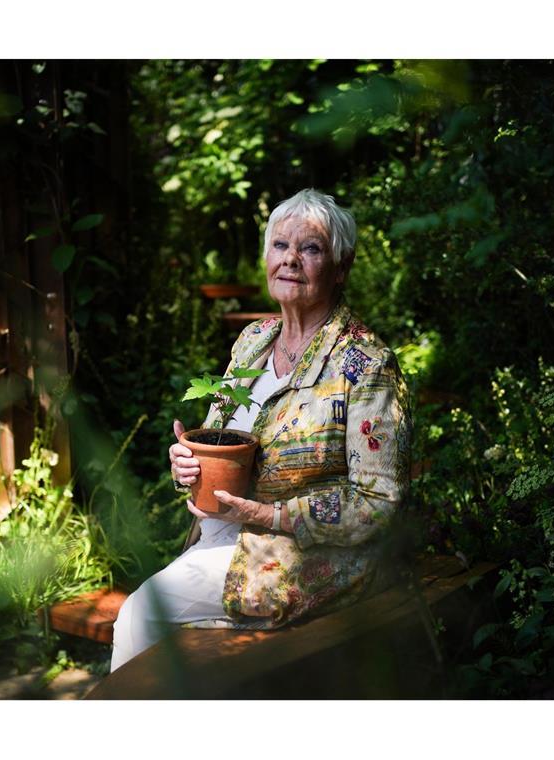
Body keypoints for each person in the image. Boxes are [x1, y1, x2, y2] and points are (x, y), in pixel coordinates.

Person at [110, 188, 411, 672]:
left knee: (141, 617)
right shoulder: (253, 341)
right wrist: (188, 462)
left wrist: (272, 516)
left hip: (307, 556)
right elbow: (218, 440)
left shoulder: (365, 364)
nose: (291, 259)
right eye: (280, 246)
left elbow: (378, 502)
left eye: (310, 249)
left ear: (341, 266)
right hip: (223, 537)